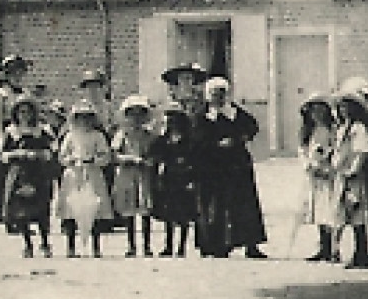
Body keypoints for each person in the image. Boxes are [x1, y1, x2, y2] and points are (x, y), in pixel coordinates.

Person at [198, 76, 268, 259]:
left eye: (222, 93)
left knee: (245, 204)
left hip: (237, 165)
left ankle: (251, 245)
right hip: (213, 166)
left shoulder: (235, 112)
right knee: (217, 205)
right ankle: (218, 245)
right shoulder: (203, 116)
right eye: (214, 93)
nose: (218, 97)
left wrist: (238, 139)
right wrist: (215, 145)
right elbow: (197, 138)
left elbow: (252, 127)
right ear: (208, 95)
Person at [0, 93, 57, 257]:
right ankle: (27, 244)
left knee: (41, 208)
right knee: (21, 210)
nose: (25, 115)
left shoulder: (41, 131)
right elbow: (3, 155)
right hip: (19, 173)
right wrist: (18, 154)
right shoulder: (11, 132)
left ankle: (45, 242)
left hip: (37, 173)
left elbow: (52, 149)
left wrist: (38, 154)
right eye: (21, 112)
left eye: (28, 112)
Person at [56, 100, 114, 257]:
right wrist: (71, 160)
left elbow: (106, 155)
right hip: (73, 175)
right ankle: (71, 246)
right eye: (80, 117)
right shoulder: (70, 136)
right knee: (71, 209)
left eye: (87, 117)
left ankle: (96, 246)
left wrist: (95, 160)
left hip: (93, 174)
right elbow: (61, 156)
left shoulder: (98, 136)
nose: (84, 121)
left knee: (94, 209)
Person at [331, 84, 368, 267]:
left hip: (353, 176)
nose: (345, 110)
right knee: (342, 213)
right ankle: (339, 250)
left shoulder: (359, 128)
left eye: (348, 106)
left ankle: (361, 253)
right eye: (342, 107)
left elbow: (363, 151)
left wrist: (354, 169)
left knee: (357, 213)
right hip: (341, 175)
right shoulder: (342, 128)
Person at [149, 100, 198, 257]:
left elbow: (194, 158)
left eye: (175, 118)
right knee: (168, 213)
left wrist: (192, 177)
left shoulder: (189, 139)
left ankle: (181, 246)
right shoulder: (163, 139)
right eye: (169, 118)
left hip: (184, 177)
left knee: (184, 214)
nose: (172, 121)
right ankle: (168, 246)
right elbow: (154, 154)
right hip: (169, 177)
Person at [109, 94, 156, 257]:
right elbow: (114, 155)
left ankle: (147, 245)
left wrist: (147, 161)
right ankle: (131, 245)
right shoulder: (122, 134)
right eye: (132, 114)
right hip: (127, 173)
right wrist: (128, 159)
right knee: (128, 209)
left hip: (143, 174)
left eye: (139, 114)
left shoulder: (149, 135)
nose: (136, 118)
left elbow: (155, 153)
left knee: (144, 209)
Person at [0, 54, 32, 225]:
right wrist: (1, 142)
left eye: (20, 73)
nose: (18, 76)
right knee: (4, 175)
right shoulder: (1, 95)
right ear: (7, 75)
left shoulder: (25, 92)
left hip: (22, 132)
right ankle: (0, 212)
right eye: (14, 73)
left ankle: (24, 210)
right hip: (7, 134)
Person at [297, 92, 338, 262]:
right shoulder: (308, 131)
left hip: (328, 172)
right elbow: (302, 149)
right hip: (314, 172)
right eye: (313, 110)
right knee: (317, 209)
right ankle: (323, 245)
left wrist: (328, 159)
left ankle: (333, 247)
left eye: (320, 110)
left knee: (330, 209)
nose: (317, 114)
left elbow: (336, 147)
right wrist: (308, 164)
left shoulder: (332, 129)